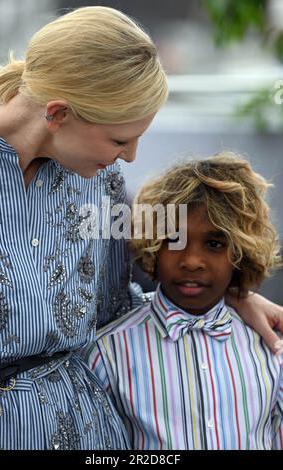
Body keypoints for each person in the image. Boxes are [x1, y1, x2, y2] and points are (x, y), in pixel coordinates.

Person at [0, 5, 282, 451]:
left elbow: (117, 305)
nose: (131, 157)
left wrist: (229, 297)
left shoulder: (101, 179)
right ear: (58, 113)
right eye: (120, 139)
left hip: (95, 432)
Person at [85, 153, 283, 450]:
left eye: (214, 244)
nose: (191, 261)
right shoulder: (107, 353)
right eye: (174, 240)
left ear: (241, 251)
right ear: (153, 243)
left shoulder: (272, 349)